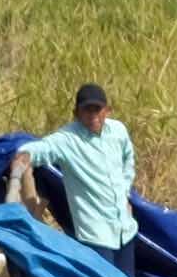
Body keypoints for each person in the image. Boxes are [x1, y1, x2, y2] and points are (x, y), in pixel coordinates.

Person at [17, 80, 139, 255]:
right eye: (86, 110)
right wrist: (25, 154)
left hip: (124, 230)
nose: (92, 115)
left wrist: (125, 193)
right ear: (76, 113)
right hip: (96, 236)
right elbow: (41, 149)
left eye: (97, 109)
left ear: (107, 111)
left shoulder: (118, 131)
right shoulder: (67, 140)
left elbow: (128, 160)